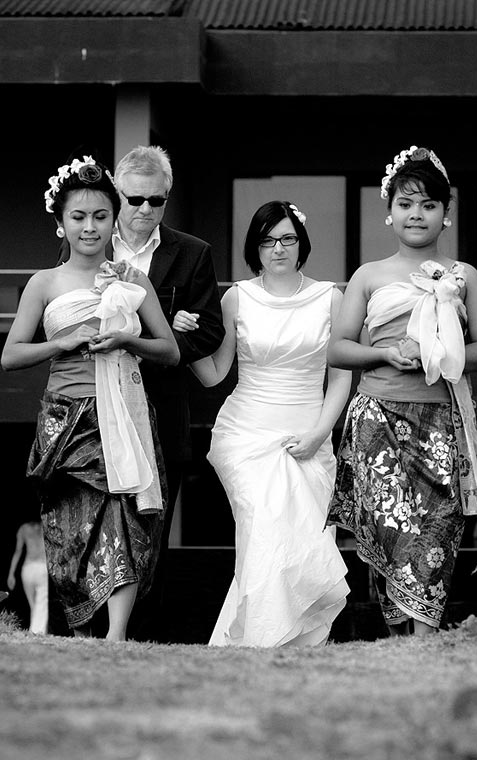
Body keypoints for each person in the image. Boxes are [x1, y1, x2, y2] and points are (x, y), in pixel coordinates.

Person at [1, 153, 180, 640]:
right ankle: (81, 625)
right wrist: (58, 343)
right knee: (69, 525)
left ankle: (116, 633)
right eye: (78, 217)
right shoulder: (44, 282)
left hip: (121, 411)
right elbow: (10, 355)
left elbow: (169, 350)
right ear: (60, 224)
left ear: (114, 218)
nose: (90, 227)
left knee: (121, 516)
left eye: (101, 216)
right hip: (65, 417)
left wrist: (128, 340)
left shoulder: (131, 279)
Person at [326, 145, 477, 636]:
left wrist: (437, 348)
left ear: (446, 214)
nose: (416, 214)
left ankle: (420, 637)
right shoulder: (369, 274)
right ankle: (403, 635)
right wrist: (383, 353)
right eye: (405, 204)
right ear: (389, 212)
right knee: (390, 524)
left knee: (437, 528)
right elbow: (338, 350)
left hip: (442, 422)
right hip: (376, 416)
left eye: (428, 204)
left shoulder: (464, 277)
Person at [59, 145, 225, 641]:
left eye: (156, 200)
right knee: (88, 519)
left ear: (167, 198)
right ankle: (85, 629)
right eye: (133, 199)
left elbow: (210, 332)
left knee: (150, 529)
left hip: (159, 408)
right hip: (92, 407)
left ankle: (139, 635)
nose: (144, 211)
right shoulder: (89, 242)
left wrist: (165, 337)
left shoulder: (193, 252)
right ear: (117, 195)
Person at [179, 200, 352, 647]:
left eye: (287, 238)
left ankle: (282, 645)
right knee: (265, 528)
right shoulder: (237, 296)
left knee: (300, 544)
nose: (278, 248)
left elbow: (341, 378)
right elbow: (216, 373)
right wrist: (185, 338)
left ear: (301, 244)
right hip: (246, 434)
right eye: (267, 240)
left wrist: (319, 434)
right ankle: (261, 640)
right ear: (255, 247)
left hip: (309, 434)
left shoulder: (331, 297)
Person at [6, 521, 49, 634]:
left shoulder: (24, 528)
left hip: (28, 568)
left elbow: (18, 551)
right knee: (41, 601)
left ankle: (34, 631)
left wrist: (11, 573)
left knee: (33, 603)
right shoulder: (47, 525)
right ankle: (37, 632)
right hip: (42, 567)